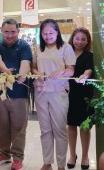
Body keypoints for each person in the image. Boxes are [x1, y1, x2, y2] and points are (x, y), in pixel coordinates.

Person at [0, 19, 33, 170]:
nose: (9, 35)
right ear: (1, 31)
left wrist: (22, 75)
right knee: (1, 126)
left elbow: (25, 63)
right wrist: (7, 72)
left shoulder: (24, 46)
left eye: (13, 32)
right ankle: (3, 153)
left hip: (19, 94)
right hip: (1, 94)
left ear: (18, 32)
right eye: (6, 32)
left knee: (19, 127)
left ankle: (18, 157)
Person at [31, 19, 75, 170]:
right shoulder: (38, 48)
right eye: (44, 33)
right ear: (41, 35)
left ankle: (61, 164)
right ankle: (47, 162)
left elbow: (71, 70)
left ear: (57, 32)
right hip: (41, 91)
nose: (48, 36)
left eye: (51, 32)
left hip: (59, 92)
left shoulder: (66, 47)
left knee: (60, 129)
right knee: (45, 129)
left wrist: (62, 71)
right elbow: (34, 67)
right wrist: (37, 74)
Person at [66, 27, 93, 170]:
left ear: (87, 41)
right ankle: (72, 155)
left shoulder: (89, 55)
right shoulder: (66, 52)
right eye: (77, 38)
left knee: (84, 126)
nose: (79, 42)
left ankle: (85, 156)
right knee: (70, 125)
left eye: (83, 39)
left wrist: (84, 76)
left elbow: (89, 70)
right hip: (68, 92)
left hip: (84, 93)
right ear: (72, 38)